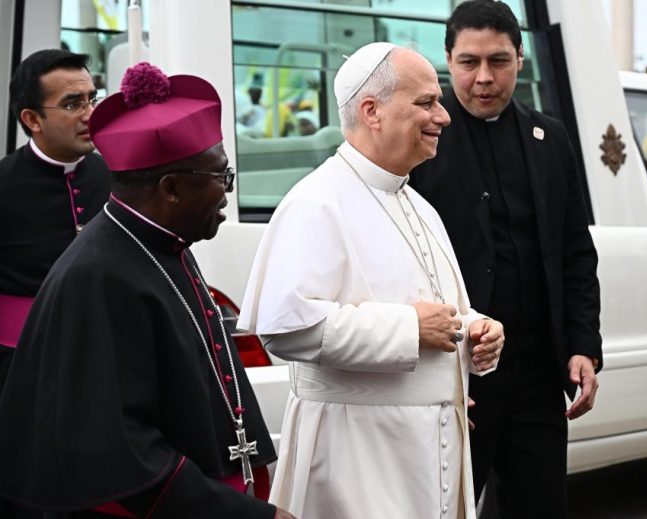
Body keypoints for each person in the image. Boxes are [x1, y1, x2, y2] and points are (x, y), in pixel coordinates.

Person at [0, 62, 294, 519]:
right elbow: (121, 453)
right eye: (221, 178)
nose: (226, 195)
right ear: (171, 188)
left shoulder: (163, 242)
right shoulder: (100, 277)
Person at [238, 42, 505, 519]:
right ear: (371, 111)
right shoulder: (317, 202)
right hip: (355, 454)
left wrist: (476, 331)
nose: (444, 116)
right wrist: (408, 328)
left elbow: (438, 314)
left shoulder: (420, 206)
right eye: (426, 102)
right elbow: (287, 327)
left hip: (427, 446)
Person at [410, 2, 602, 517]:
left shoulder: (550, 137)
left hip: (538, 375)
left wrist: (584, 347)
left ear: (520, 58)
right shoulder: (420, 141)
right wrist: (433, 376)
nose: (484, 78)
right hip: (459, 376)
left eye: (498, 61)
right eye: (469, 62)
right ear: (447, 60)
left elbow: (575, 253)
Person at [0, 49, 110, 384]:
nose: (90, 115)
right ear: (32, 119)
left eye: (92, 99)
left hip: (103, 354)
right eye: (73, 105)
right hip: (17, 364)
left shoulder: (115, 176)